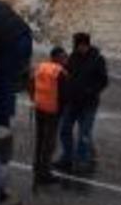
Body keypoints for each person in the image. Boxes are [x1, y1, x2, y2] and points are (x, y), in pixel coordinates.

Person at [55, 32, 108, 174]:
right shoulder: (73, 57)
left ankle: (81, 161)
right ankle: (67, 157)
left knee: (84, 133)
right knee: (65, 130)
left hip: (88, 103)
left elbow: (103, 81)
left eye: (80, 45)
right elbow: (67, 75)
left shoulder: (97, 59)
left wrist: (90, 91)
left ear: (86, 44)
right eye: (76, 45)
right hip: (72, 102)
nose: (78, 48)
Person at [28, 46, 67, 186]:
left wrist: (34, 98)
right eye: (63, 57)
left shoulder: (41, 67)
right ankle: (44, 173)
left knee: (40, 139)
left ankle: (37, 165)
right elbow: (65, 93)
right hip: (52, 110)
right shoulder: (60, 72)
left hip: (39, 107)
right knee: (49, 143)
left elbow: (30, 82)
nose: (65, 60)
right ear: (56, 58)